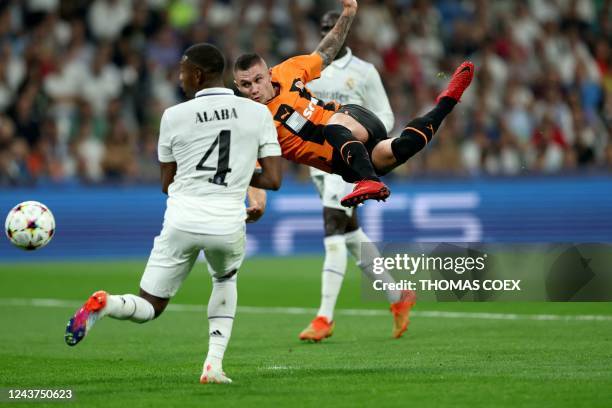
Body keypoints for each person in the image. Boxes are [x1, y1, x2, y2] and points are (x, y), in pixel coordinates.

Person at [64, 43, 283, 385]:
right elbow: (273, 179)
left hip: (181, 220)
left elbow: (167, 183)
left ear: (197, 75)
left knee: (149, 306)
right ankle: (213, 365)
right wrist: (238, 174)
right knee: (225, 279)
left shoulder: (172, 116)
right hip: (226, 222)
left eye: (183, 71)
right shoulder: (257, 114)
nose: (180, 78)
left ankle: (106, 304)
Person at [233, 0, 474, 207]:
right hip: (346, 164)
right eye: (246, 85)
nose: (254, 89)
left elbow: (325, 53)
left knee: (331, 128)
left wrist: (348, 14)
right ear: (237, 86)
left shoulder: (286, 71)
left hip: (352, 119)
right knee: (401, 148)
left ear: (268, 72)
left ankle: (370, 182)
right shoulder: (252, 123)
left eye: (258, 80)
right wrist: (256, 202)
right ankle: (449, 100)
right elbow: (256, 170)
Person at [299, 10, 414, 342]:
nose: (328, 33)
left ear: (344, 31)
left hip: (348, 161)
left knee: (333, 228)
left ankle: (324, 317)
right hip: (317, 163)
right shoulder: (306, 72)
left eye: (333, 27)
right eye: (323, 28)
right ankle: (398, 297)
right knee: (351, 236)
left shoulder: (364, 72)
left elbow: (386, 115)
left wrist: (359, 137)